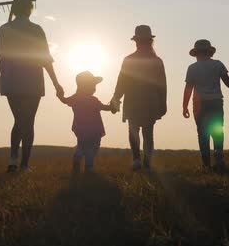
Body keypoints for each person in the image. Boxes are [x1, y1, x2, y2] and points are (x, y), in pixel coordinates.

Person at [0, 0, 64, 173]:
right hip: (32, 81)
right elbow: (45, 59)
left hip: (11, 81)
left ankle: (13, 161)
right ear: (29, 9)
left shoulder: (4, 28)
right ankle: (24, 165)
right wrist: (56, 83)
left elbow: (1, 53)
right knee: (28, 122)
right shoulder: (36, 29)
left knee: (19, 120)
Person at [111, 25, 167, 171]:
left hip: (132, 101)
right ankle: (147, 164)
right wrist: (163, 103)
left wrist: (116, 99)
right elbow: (162, 85)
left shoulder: (128, 59)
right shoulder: (157, 60)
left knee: (133, 130)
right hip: (151, 101)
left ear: (136, 41)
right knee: (148, 133)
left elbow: (121, 82)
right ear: (150, 41)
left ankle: (136, 160)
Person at [183, 39, 229, 171]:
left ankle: (206, 164)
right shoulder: (218, 65)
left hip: (199, 104)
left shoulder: (192, 68)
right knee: (218, 130)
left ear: (196, 53)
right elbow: (228, 83)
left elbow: (188, 88)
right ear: (209, 52)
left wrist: (184, 106)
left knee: (202, 133)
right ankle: (219, 159)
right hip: (216, 101)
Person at [58, 71, 114, 174]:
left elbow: (65, 100)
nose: (94, 88)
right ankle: (89, 166)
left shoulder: (75, 98)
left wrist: (60, 95)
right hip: (94, 129)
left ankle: (78, 156)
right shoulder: (93, 100)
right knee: (93, 147)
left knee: (82, 144)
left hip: (80, 128)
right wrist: (112, 107)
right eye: (93, 85)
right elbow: (104, 107)